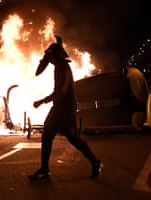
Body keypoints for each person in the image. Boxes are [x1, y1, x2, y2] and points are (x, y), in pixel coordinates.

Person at [28, 35, 102, 180]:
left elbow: (60, 92)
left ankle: (95, 162)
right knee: (50, 136)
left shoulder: (62, 68)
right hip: (60, 109)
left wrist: (42, 101)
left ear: (54, 56)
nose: (47, 61)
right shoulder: (60, 67)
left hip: (64, 110)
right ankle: (44, 169)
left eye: (49, 57)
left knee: (73, 138)